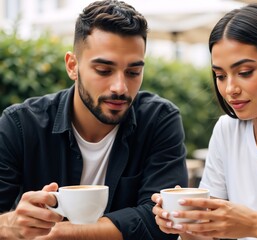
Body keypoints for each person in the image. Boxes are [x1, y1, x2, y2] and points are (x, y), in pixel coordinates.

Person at [0, 0, 188, 239]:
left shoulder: (159, 119)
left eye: (133, 72)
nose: (120, 87)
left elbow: (162, 220)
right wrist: (11, 224)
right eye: (103, 70)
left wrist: (59, 234)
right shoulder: (21, 125)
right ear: (72, 66)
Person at [152, 2, 257, 240]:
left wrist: (254, 225)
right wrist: (185, 222)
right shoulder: (227, 131)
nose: (230, 89)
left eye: (244, 72)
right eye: (220, 76)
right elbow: (209, 235)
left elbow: (249, 226)